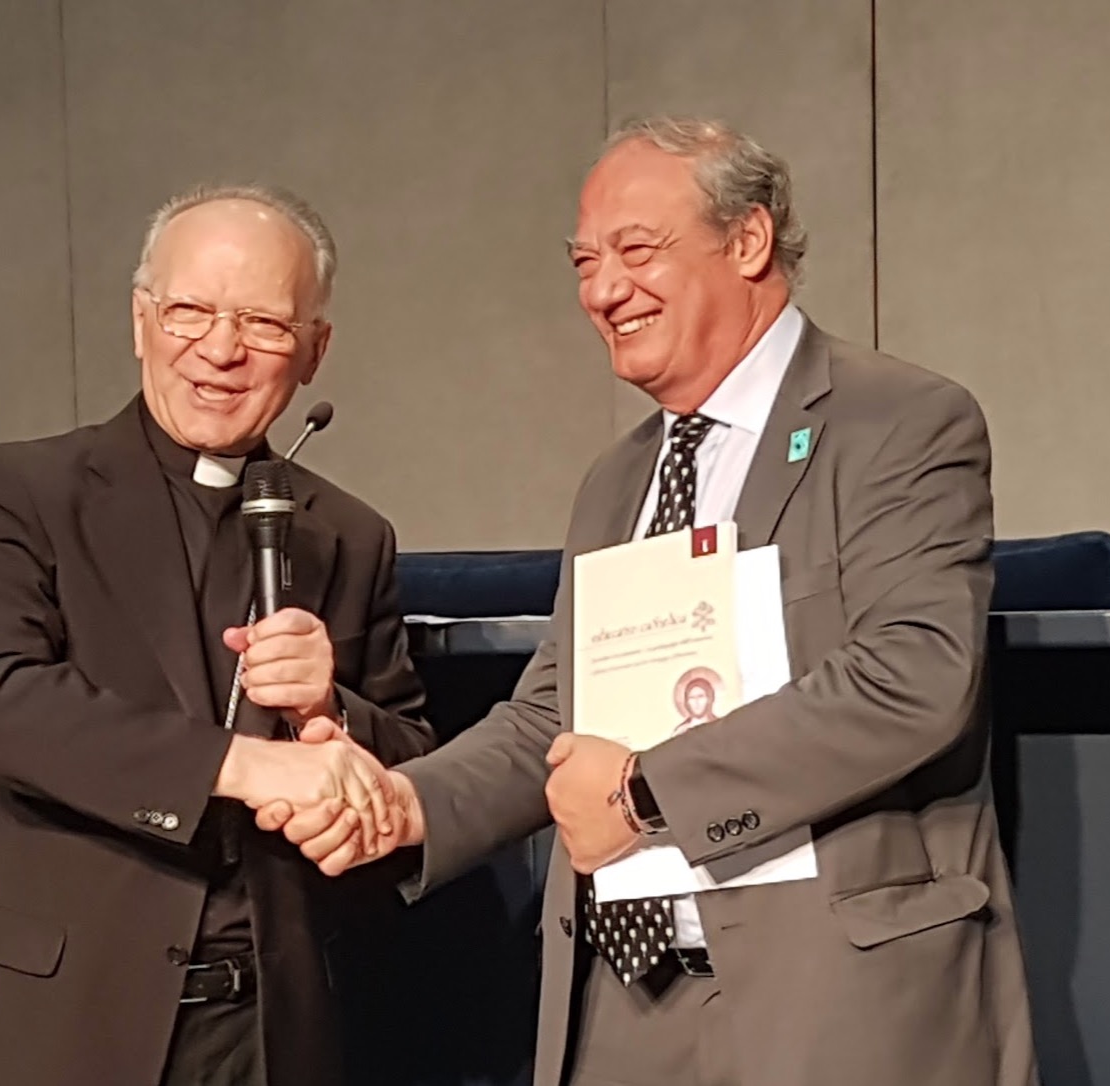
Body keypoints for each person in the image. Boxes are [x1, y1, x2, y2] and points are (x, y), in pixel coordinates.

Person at [277, 117, 1039, 1085]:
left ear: (749, 240)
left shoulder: (898, 422)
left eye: (636, 251)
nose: (602, 290)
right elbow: (553, 720)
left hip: (836, 1005)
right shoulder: (617, 481)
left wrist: (644, 795)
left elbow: (913, 676)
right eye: (585, 262)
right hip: (625, 1010)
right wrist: (406, 804)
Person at [0, 184, 432, 1086]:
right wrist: (245, 765)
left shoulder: (348, 534)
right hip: (49, 1023)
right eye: (190, 311)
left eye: (263, 322)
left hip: (264, 1035)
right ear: (140, 322)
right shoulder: (19, 490)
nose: (220, 350)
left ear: (313, 350)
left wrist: (327, 713)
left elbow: (414, 765)